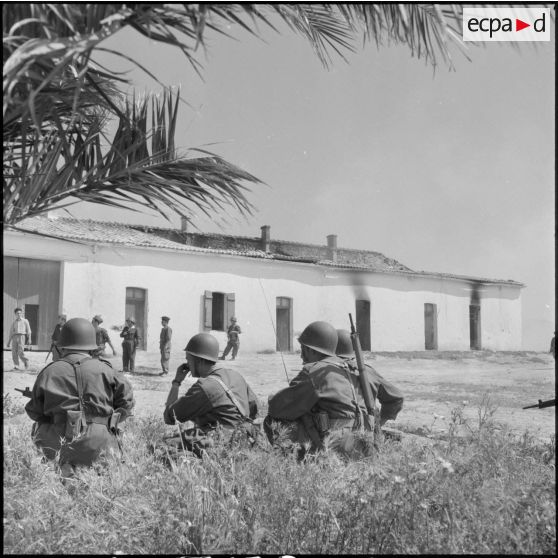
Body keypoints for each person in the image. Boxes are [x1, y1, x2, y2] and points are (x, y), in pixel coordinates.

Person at [264, 321, 403, 460]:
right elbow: (396, 397)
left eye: (303, 350)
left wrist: (274, 399)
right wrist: (378, 423)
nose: (302, 356)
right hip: (367, 441)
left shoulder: (315, 371)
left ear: (312, 350)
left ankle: (300, 462)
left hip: (336, 445)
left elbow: (277, 408)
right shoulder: (363, 370)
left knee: (273, 420)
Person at [25, 318, 134, 477]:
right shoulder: (106, 370)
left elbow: (34, 412)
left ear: (62, 346)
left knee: (38, 427)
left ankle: (59, 469)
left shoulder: (50, 371)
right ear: (92, 346)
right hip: (100, 445)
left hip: (58, 445)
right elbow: (126, 404)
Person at [163, 332, 259, 457]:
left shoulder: (204, 387)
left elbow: (170, 417)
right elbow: (254, 407)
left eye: (188, 360)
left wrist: (176, 383)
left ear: (199, 360)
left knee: (162, 446)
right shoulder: (235, 375)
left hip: (222, 444)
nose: (187, 364)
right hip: (246, 440)